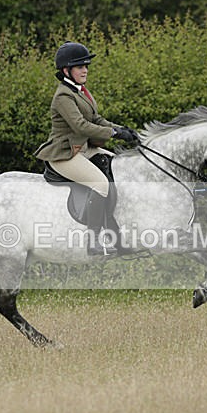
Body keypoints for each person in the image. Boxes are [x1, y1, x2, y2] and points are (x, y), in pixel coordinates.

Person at [35, 42, 138, 255]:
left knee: (121, 167)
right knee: (100, 184)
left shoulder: (81, 91)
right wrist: (113, 134)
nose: (85, 70)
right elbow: (80, 126)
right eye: (80, 66)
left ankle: (116, 238)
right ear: (66, 71)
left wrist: (122, 129)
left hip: (84, 148)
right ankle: (93, 243)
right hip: (66, 154)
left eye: (86, 66)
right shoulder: (63, 96)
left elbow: (96, 119)